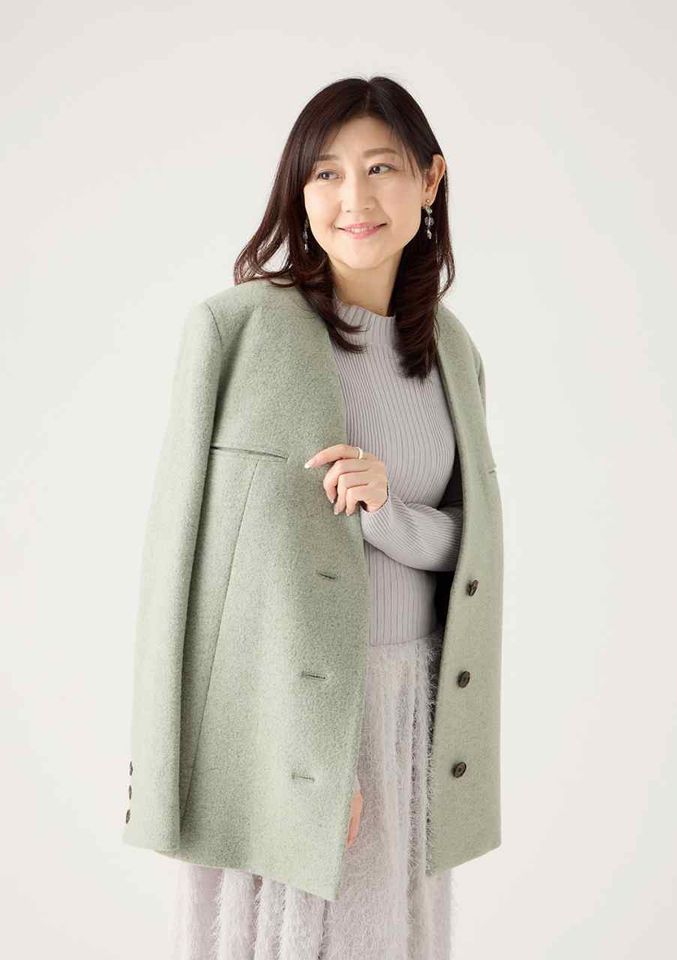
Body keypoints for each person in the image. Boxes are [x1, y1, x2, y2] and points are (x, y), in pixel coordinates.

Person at [157, 75, 496, 960]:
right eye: (326, 173)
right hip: (280, 716)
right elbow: (183, 569)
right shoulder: (238, 333)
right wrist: (306, 751)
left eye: (381, 168)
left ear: (430, 180)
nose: (354, 199)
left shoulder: (451, 350)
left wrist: (386, 513)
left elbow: (473, 548)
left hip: (411, 713)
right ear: (298, 190)